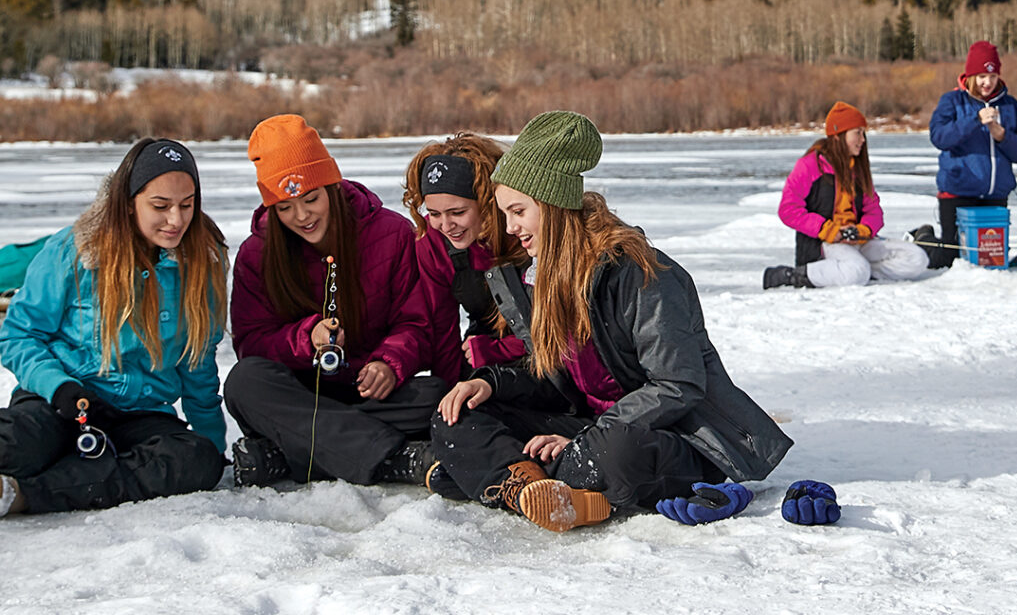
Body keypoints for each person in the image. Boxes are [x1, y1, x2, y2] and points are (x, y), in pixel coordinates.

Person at [432, 111, 792, 532]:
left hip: (670, 437)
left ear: (551, 204)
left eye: (518, 211)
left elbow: (678, 384)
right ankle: (534, 487)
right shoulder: (542, 275)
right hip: (590, 426)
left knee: (615, 453)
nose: (510, 229)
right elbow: (554, 376)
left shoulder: (642, 274)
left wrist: (585, 441)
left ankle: (512, 474)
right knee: (455, 415)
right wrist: (491, 382)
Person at [0, 139, 227, 518]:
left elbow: (197, 364)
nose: (176, 220)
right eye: (160, 206)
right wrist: (57, 386)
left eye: (187, 205)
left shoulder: (203, 263)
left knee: (195, 459)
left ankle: (22, 493)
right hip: (62, 402)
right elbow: (19, 334)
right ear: (128, 202)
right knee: (22, 443)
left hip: (141, 415)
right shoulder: (74, 251)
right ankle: (70, 471)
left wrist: (213, 445)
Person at [225, 114, 444, 490]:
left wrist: (388, 363)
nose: (302, 216)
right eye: (285, 207)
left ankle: (289, 455)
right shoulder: (255, 254)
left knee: (437, 397)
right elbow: (251, 344)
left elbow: (416, 323)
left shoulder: (391, 233)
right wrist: (304, 338)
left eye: (311, 199)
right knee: (244, 384)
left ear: (332, 186)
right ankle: (392, 460)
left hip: (370, 394)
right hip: (297, 396)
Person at [402, 133, 526, 387]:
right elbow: (442, 329)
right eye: (434, 213)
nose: (446, 226)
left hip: (546, 352)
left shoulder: (521, 230)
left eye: (458, 212)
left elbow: (561, 324)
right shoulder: (432, 241)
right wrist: (445, 395)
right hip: (482, 347)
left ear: (486, 202)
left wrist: (502, 350)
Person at [764, 102, 929, 289]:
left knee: (917, 258)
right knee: (856, 271)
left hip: (858, 240)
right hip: (825, 242)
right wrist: (829, 231)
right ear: (838, 135)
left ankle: (854, 272)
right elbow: (788, 210)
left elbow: (873, 210)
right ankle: (792, 276)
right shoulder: (809, 166)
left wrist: (863, 230)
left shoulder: (857, 170)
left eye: (863, 133)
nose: (863, 140)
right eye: (857, 133)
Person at [921, 40, 1017, 268]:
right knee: (950, 258)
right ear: (970, 76)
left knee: (990, 260)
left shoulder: (1009, 105)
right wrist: (975, 120)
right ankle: (922, 239)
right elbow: (940, 138)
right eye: (981, 76)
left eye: (993, 76)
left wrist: (1001, 136)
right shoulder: (952, 101)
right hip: (958, 192)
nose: (987, 83)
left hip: (995, 195)